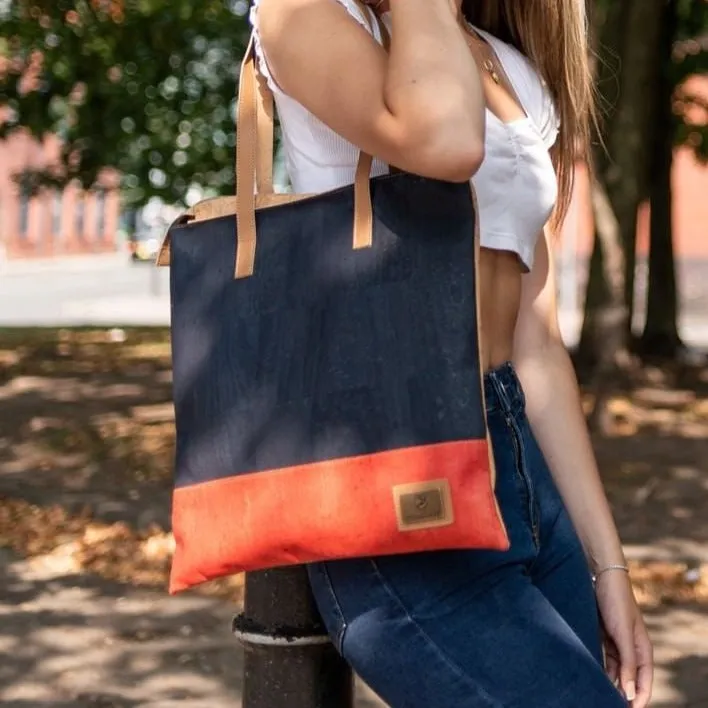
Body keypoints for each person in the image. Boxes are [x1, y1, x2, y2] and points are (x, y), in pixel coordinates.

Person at [250, 0, 653, 705]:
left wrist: (608, 567)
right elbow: (444, 142)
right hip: (399, 489)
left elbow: (536, 345)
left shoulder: (512, 68)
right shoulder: (304, 13)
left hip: (523, 475)